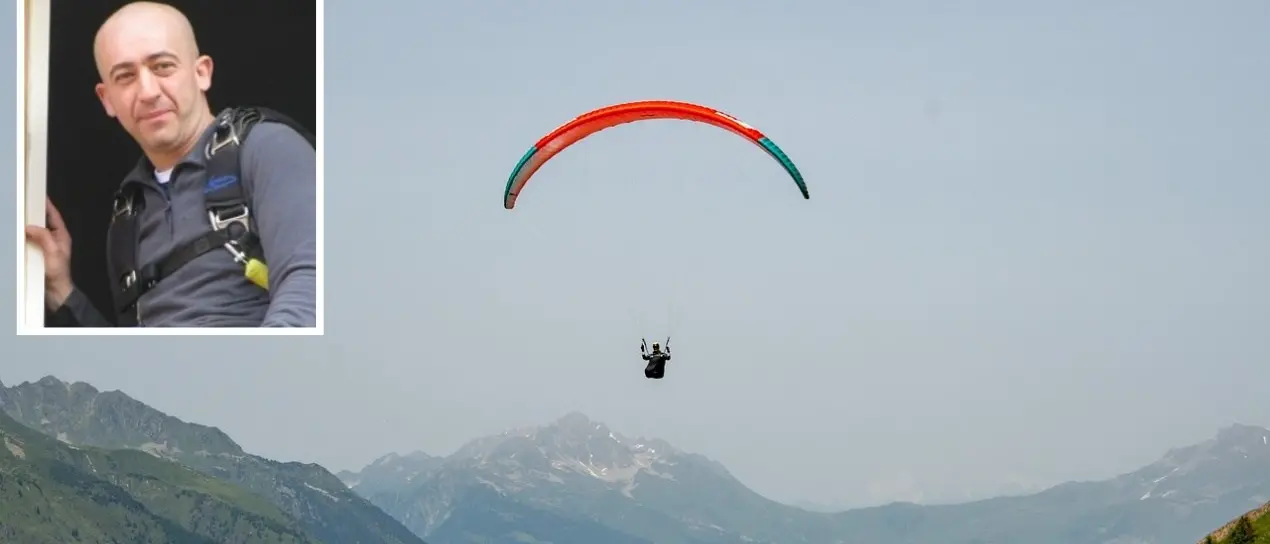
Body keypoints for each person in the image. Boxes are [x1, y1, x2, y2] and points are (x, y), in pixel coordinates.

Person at [24, 1, 316, 327]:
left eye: (163, 66)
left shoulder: (266, 148)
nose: (147, 91)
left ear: (201, 72)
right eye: (125, 76)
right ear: (107, 99)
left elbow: (313, 281)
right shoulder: (129, 213)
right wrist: (59, 288)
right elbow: (126, 361)